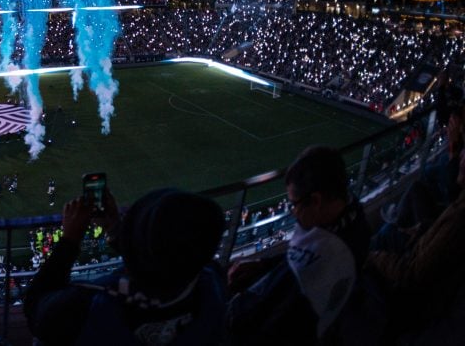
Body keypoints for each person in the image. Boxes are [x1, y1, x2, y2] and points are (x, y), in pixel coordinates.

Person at [24, 186, 226, 344]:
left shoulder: (86, 305)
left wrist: (70, 240)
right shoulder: (213, 280)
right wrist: (114, 228)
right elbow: (165, 256)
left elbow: (36, 309)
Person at [226, 145, 372, 344]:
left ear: (316, 200)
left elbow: (264, 327)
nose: (293, 212)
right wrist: (264, 264)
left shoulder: (316, 267)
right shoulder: (350, 215)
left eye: (294, 204)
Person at [366, 146, 465, 341]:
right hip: (422, 249)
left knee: (382, 238)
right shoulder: (459, 206)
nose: (461, 156)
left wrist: (374, 256)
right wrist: (423, 230)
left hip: (411, 293)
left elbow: (410, 274)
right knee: (415, 192)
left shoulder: (460, 217)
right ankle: (395, 223)